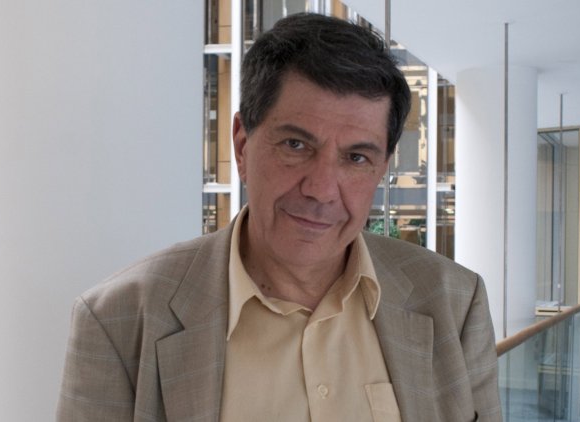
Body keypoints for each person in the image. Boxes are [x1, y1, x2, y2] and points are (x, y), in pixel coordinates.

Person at [57, 13, 501, 422]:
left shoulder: (455, 304)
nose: (321, 189)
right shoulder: (117, 321)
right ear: (242, 146)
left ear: (382, 168)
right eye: (295, 145)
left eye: (356, 157)